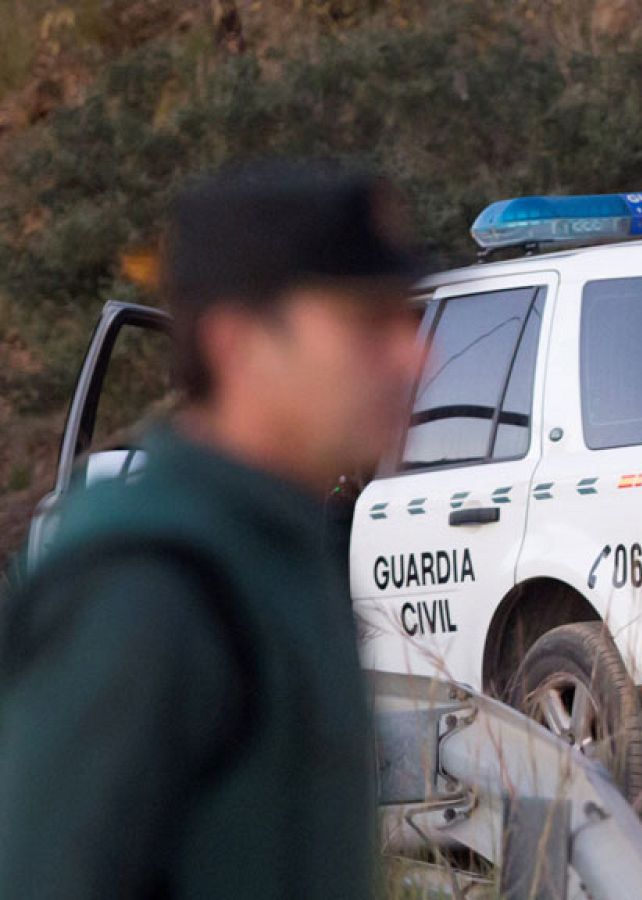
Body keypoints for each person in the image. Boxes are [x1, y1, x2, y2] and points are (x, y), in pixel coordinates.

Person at [0, 161, 427, 898]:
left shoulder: (283, 549)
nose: (417, 357)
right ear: (238, 344)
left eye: (409, 321)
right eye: (368, 324)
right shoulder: (143, 586)